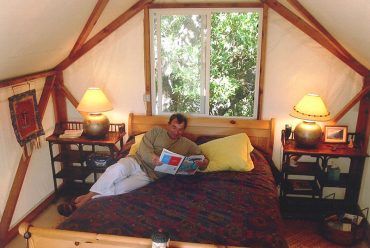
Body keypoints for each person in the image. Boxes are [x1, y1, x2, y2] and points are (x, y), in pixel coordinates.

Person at [58, 113, 208, 216]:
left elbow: (200, 157)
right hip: (136, 161)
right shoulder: (156, 131)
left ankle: (88, 197)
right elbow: (143, 148)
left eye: (181, 129)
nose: (177, 132)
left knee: (120, 188)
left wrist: (202, 163)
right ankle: (81, 203)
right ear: (168, 125)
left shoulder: (187, 144)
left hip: (149, 175)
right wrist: (153, 157)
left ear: (184, 130)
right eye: (174, 127)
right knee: (116, 170)